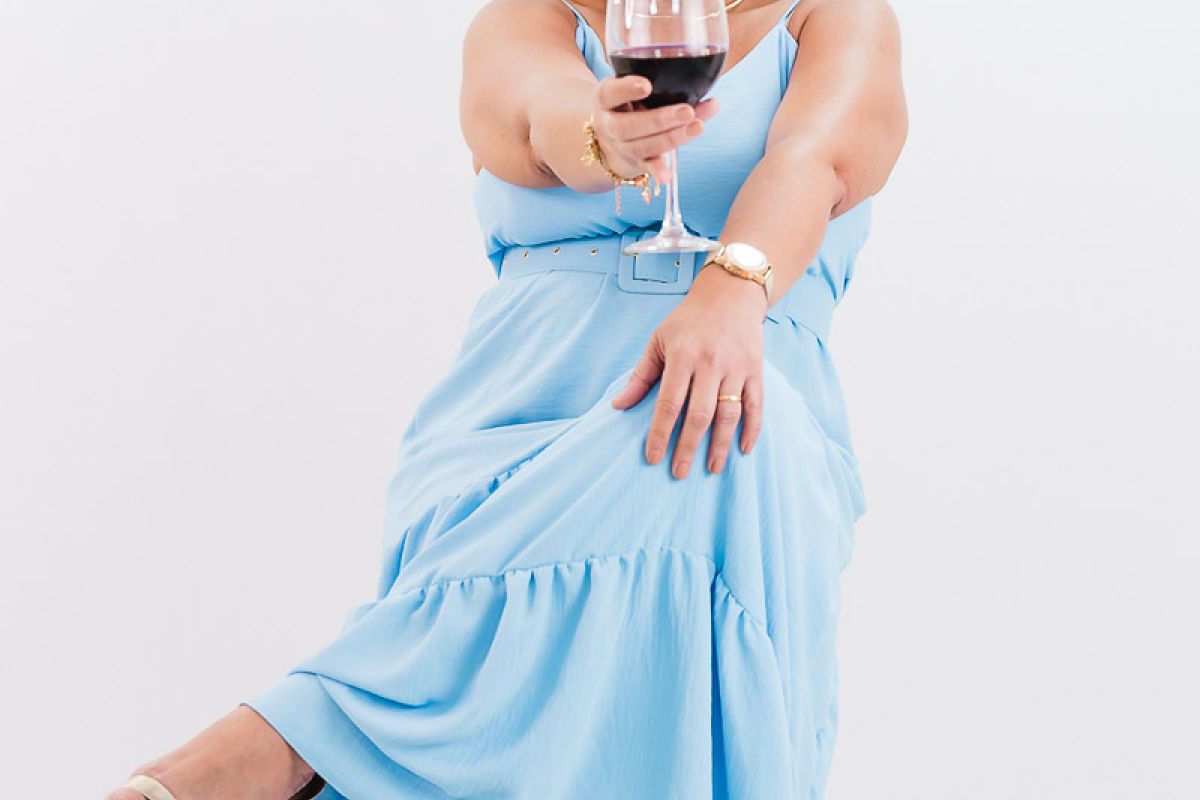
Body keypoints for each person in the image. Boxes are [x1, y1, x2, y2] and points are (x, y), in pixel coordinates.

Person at [106, 0, 906, 797]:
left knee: (713, 423)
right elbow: (538, 116)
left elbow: (817, 158)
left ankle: (295, 741)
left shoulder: (832, 17)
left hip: (747, 399)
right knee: (700, 428)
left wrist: (730, 293)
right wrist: (604, 138)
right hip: (521, 412)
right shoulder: (530, 17)